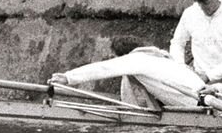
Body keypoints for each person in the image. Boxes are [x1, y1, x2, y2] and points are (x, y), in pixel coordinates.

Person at [50, 36, 203, 109]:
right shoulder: (161, 56)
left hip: (193, 103)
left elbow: (104, 68)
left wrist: (68, 78)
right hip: (205, 94)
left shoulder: (135, 59)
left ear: (123, 56)